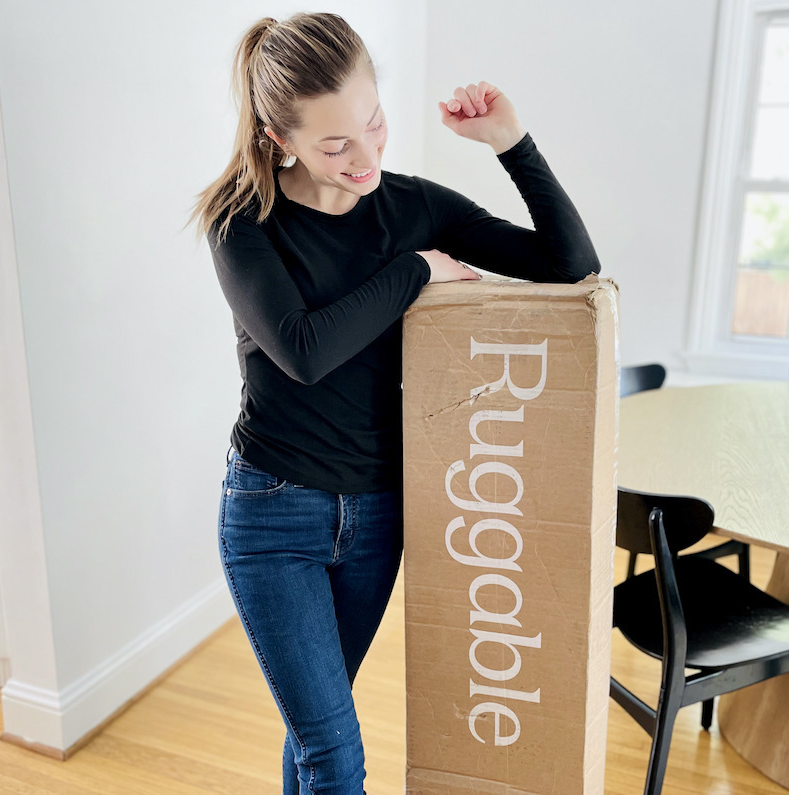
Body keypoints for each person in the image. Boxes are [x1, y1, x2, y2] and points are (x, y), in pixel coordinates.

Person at [190, 12, 600, 795]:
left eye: (373, 124)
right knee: (336, 754)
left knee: (316, 733)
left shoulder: (413, 203)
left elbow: (570, 267)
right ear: (283, 138)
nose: (368, 155)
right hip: (275, 513)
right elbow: (304, 350)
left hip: (380, 513)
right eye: (336, 145)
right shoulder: (242, 223)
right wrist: (416, 271)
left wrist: (512, 143)